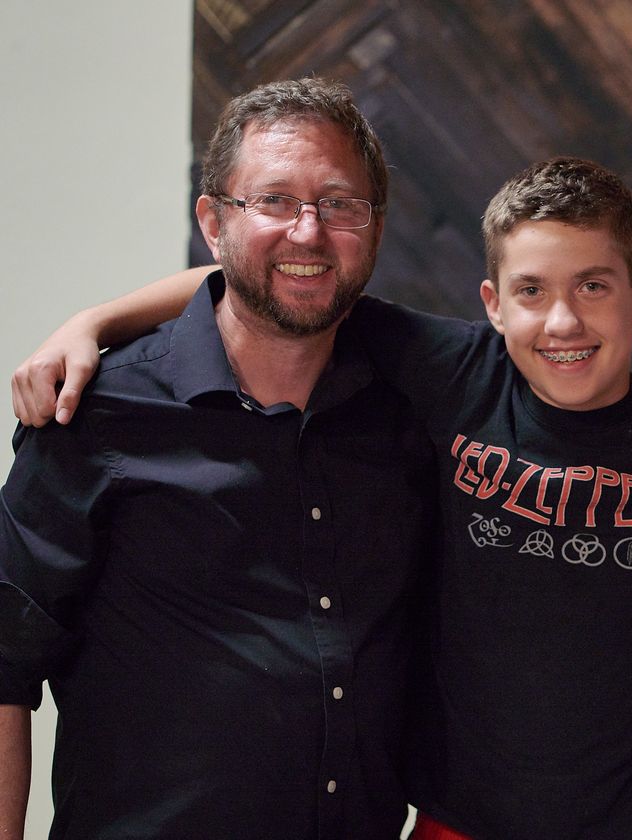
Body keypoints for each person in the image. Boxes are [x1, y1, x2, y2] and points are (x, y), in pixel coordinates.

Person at [12, 156, 632, 838]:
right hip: (456, 822)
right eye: (531, 291)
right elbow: (268, 284)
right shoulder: (454, 374)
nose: (563, 321)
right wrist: (95, 323)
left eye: (594, 286)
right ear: (492, 305)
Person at [0, 77, 436, 838]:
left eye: (339, 204)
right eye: (274, 200)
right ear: (213, 221)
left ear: (373, 227)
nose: (308, 232)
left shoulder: (416, 402)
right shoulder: (96, 414)